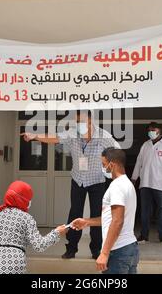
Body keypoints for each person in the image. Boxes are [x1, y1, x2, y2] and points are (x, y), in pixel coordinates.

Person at [21, 110, 120, 260]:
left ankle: (96, 249)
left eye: (81, 121)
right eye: (77, 121)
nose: (79, 125)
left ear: (90, 121)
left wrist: (115, 174)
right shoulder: (73, 134)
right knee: (75, 213)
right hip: (78, 179)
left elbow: (118, 153)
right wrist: (35, 136)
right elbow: (54, 138)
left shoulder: (104, 137)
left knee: (96, 216)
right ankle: (71, 248)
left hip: (97, 181)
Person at [0, 180, 68, 274]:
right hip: (13, 265)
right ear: (24, 200)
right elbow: (39, 245)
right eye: (29, 199)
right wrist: (56, 233)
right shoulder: (27, 219)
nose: (30, 202)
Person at [71, 147, 139, 274]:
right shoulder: (127, 184)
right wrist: (87, 222)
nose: (103, 168)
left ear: (111, 165)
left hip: (118, 252)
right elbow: (113, 218)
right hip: (130, 248)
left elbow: (117, 221)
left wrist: (104, 253)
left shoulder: (117, 186)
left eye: (104, 164)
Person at [131, 122, 162, 245]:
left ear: (159, 131)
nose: (151, 132)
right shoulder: (145, 145)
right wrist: (134, 178)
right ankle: (144, 236)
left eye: (153, 130)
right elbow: (138, 162)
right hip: (145, 182)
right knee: (145, 211)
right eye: (149, 130)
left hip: (161, 183)